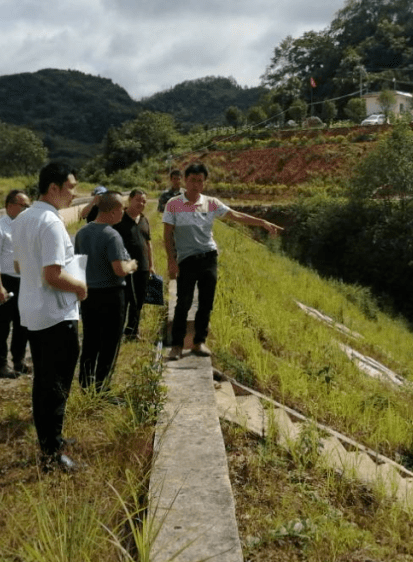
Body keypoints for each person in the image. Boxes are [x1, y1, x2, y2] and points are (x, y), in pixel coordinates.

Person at [11, 162, 88, 471]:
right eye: (70, 187)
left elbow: (19, 267)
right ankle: (52, 455)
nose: (74, 194)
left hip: (32, 311)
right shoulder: (51, 222)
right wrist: (81, 287)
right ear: (53, 188)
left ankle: (50, 439)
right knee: (56, 385)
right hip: (56, 314)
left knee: (43, 380)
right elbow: (52, 275)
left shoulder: (22, 218)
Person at [163, 162, 282, 360]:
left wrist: (261, 222)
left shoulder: (211, 203)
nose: (195, 184)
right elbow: (167, 235)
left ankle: (199, 342)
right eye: (192, 180)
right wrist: (171, 261)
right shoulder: (173, 204)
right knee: (182, 302)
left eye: (200, 181)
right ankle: (176, 345)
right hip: (186, 260)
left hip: (209, 257)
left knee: (206, 302)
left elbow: (235, 215)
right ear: (185, 181)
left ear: (204, 183)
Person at [75, 191, 137, 392]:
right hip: (111, 294)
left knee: (91, 339)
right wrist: (132, 265)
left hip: (89, 294)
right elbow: (119, 269)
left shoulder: (82, 233)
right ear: (114, 210)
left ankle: (85, 382)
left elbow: (78, 264)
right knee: (110, 342)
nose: (124, 212)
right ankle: (102, 386)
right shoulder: (112, 235)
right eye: (122, 208)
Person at [0, 189, 31, 379]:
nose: (27, 209)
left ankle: (19, 361)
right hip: (5, 279)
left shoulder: (25, 226)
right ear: (11, 205)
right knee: (3, 324)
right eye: (24, 205)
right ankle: (0, 364)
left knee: (23, 324)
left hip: (24, 280)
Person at [113, 189, 154, 340]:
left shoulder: (144, 220)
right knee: (124, 301)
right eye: (138, 200)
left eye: (144, 201)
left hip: (142, 267)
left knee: (139, 301)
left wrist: (151, 265)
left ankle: (132, 331)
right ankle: (116, 330)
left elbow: (148, 244)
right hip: (124, 267)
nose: (141, 204)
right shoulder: (119, 219)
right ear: (130, 200)